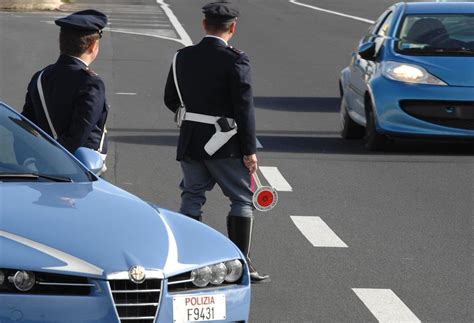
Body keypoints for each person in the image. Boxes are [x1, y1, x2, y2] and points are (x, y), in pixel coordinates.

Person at [164, 1, 269, 282]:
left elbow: (170, 100)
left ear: (203, 25)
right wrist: (249, 150)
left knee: (192, 198)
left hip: (191, 141)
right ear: (232, 28)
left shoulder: (182, 57)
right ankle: (242, 263)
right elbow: (244, 107)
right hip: (226, 143)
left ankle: (187, 263)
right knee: (241, 199)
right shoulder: (236, 60)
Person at [22, 10, 109, 172]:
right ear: (93, 45)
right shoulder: (90, 82)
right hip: (77, 170)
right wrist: (57, 162)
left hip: (42, 166)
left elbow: (25, 127)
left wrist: (28, 161)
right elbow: (78, 134)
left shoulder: (41, 77)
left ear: (60, 42)